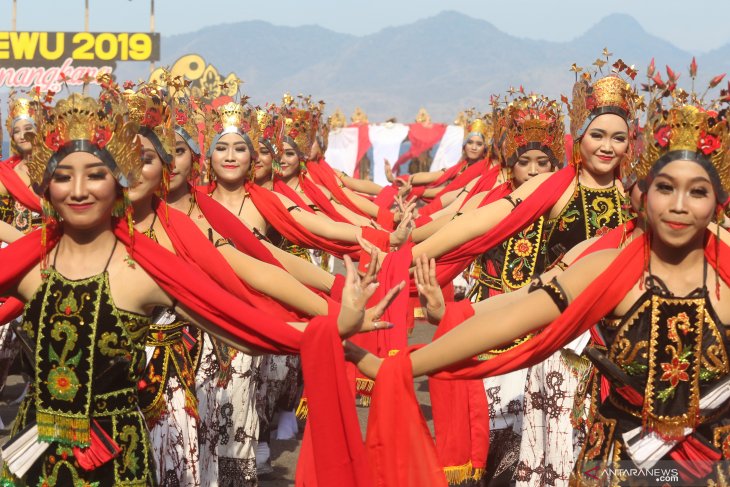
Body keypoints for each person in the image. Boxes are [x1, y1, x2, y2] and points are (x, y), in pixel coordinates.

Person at [0, 88, 392, 487]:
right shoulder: (29, 263)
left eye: (96, 175)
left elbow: (242, 316)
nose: (78, 190)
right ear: (45, 187)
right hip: (29, 455)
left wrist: (334, 320)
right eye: (63, 176)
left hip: (120, 456)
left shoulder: (148, 264)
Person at [351, 81, 730, 486]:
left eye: (698, 192)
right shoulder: (604, 260)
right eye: (665, 188)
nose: (678, 205)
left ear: (718, 201)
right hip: (614, 457)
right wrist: (401, 361)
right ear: (645, 194)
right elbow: (515, 307)